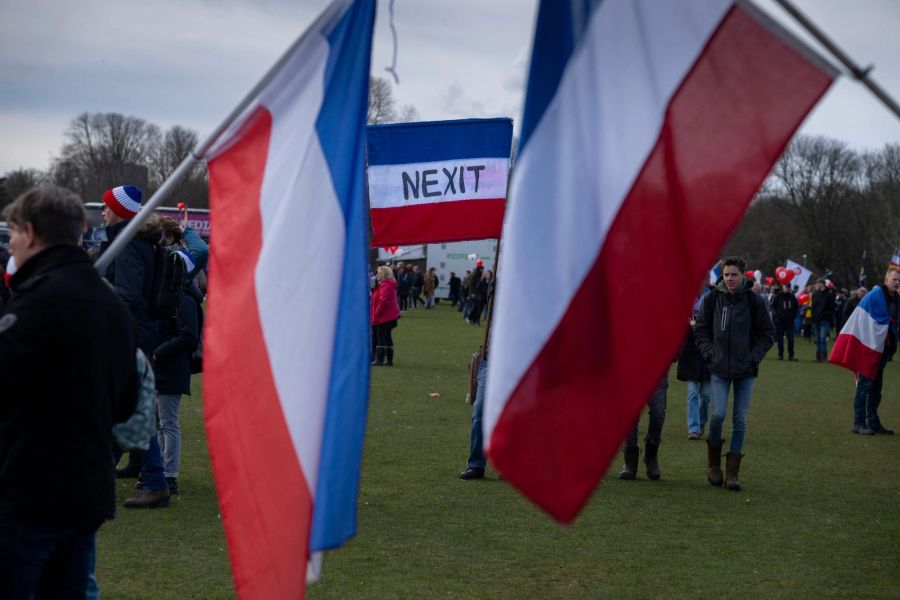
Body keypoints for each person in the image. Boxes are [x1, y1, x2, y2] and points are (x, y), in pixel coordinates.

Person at [0, 185, 138, 596]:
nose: (11, 245)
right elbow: (127, 400)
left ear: (30, 232)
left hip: (28, 489)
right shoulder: (112, 305)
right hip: (86, 488)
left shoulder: (34, 305)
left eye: (12, 234)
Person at [99, 185, 171, 508]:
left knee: (127, 405)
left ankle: (155, 480)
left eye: (106, 206)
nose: (102, 212)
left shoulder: (127, 246)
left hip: (131, 334)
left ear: (120, 211)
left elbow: (126, 296)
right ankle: (134, 469)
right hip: (144, 331)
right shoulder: (143, 242)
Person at [695, 256, 775, 491]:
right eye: (726, 274)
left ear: (744, 276)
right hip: (718, 367)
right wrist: (710, 354)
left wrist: (753, 357)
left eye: (734, 275)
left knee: (740, 419)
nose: (730, 279)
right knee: (718, 414)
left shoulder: (754, 301)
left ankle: (732, 473)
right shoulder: (712, 299)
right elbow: (700, 330)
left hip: (745, 369)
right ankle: (713, 465)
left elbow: (767, 333)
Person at [153, 217, 201, 495]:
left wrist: (159, 351)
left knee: (168, 423)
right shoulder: (173, 297)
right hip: (164, 365)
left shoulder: (184, 300)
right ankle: (161, 469)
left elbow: (188, 337)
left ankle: (169, 473)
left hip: (172, 367)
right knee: (161, 422)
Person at [848, 267, 900, 435]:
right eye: (894, 280)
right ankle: (858, 422)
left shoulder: (896, 299)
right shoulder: (875, 296)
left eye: (899, 280)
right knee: (865, 385)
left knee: (876, 388)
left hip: (883, 350)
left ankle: (873, 421)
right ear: (886, 280)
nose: (897, 283)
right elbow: (866, 319)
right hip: (869, 347)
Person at [460, 273, 496, 480]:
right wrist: (489, 289)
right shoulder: (497, 286)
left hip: (516, 361)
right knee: (479, 412)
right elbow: (483, 306)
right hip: (489, 359)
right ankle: (476, 464)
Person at [618, 376, 668, 480]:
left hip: (657, 370)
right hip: (631, 368)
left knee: (658, 413)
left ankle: (651, 456)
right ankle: (630, 461)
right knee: (631, 414)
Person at [677, 314, 710, 440]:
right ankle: (693, 428)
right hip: (690, 355)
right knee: (692, 393)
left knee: (706, 395)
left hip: (708, 354)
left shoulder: (711, 298)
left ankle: (701, 422)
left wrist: (697, 326)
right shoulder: (687, 304)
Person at [371, 266, 401, 366]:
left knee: (381, 336)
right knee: (387, 336)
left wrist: (376, 313)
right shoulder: (386, 284)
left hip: (385, 317)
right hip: (389, 316)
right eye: (377, 273)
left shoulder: (385, 285)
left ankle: (379, 359)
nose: (377, 275)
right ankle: (388, 359)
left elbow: (383, 301)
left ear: (385, 274)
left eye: (379, 273)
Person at [770, 282, 800, 361]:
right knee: (780, 339)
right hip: (779, 321)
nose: (787, 288)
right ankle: (781, 355)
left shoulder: (792, 296)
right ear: (782, 287)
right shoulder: (778, 296)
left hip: (790, 321)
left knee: (790, 339)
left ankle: (791, 355)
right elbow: (773, 307)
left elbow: (796, 307)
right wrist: (775, 317)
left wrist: (794, 316)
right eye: (785, 287)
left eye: (788, 287)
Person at [811, 278, 835, 362]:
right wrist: (813, 316)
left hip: (824, 320)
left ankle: (823, 356)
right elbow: (813, 306)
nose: (817, 285)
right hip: (815, 320)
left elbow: (832, 308)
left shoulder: (829, 295)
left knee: (822, 338)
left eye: (818, 283)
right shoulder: (815, 294)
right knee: (818, 339)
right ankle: (818, 357)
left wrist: (826, 316)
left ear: (822, 284)